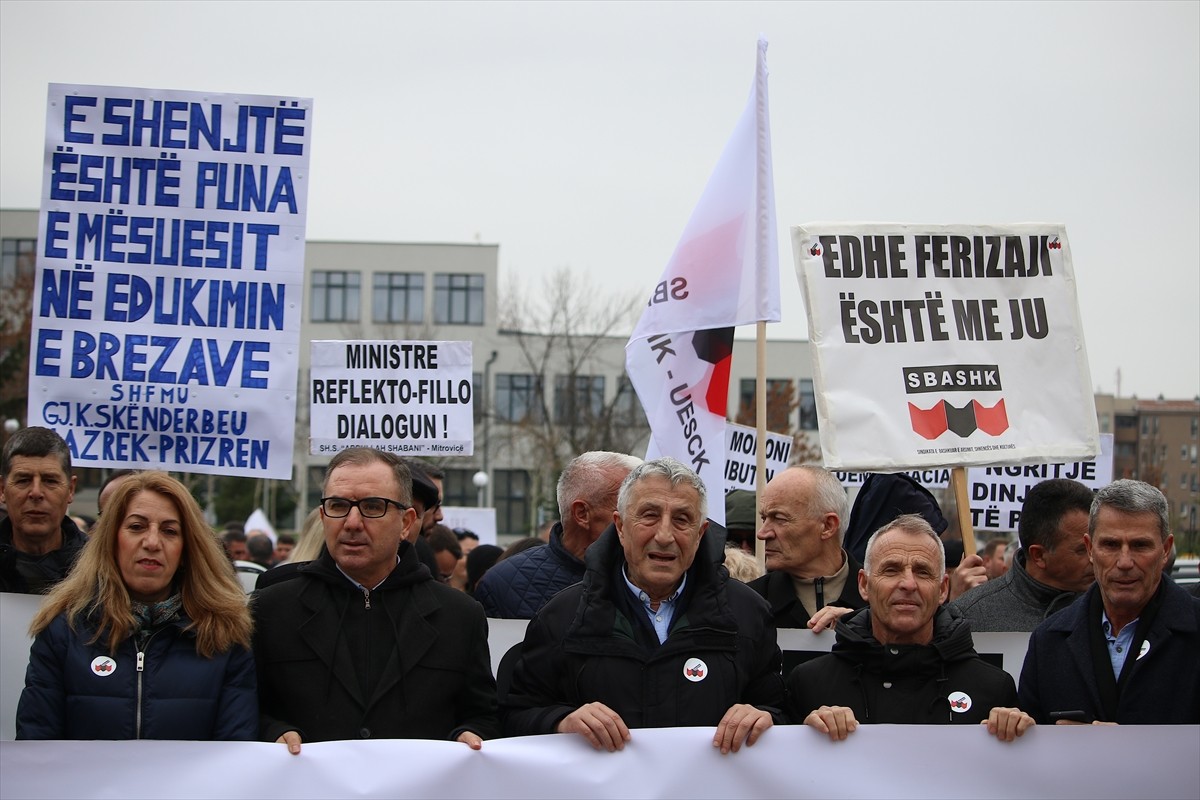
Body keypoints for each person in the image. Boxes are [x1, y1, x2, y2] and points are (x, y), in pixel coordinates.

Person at [502, 457, 784, 755]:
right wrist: (560, 721)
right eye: (649, 515)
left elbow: (780, 712)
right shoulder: (562, 617)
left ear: (700, 534)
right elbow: (515, 717)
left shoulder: (749, 614)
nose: (664, 536)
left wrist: (765, 717)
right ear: (620, 527)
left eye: (682, 519)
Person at [253, 447, 499, 753]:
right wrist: (273, 732)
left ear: (407, 523)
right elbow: (243, 710)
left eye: (372, 506)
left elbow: (485, 716)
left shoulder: (459, 616)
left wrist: (468, 734)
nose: (352, 522)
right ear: (322, 515)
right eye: (338, 505)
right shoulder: (270, 610)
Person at [16, 471, 256, 740]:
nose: (152, 542)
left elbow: (235, 752)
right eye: (136, 527)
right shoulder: (64, 631)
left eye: (169, 531)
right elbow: (37, 744)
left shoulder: (225, 634)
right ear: (111, 539)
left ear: (187, 548)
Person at [789, 514, 1033, 742]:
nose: (908, 584)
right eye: (891, 570)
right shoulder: (810, 684)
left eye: (923, 572)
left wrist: (1018, 736)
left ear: (943, 590)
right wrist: (806, 737)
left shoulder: (992, 689)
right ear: (864, 585)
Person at [1018, 480, 1200, 724]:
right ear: (1090, 548)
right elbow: (1031, 751)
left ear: (1165, 550)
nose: (1124, 562)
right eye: (1111, 545)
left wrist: (1124, 745)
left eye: (1140, 545)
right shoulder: (1048, 641)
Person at [475, 451, 641, 619]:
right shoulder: (504, 584)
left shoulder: (655, 578)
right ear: (582, 514)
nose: (644, 524)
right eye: (627, 508)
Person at [953, 479, 1095, 631]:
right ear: (1039, 555)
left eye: (1097, 545)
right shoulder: (971, 614)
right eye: (1082, 550)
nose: (1094, 558)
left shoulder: (1114, 610)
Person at [749, 466, 865, 633]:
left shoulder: (881, 597)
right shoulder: (746, 603)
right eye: (764, 518)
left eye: (779, 519)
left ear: (827, 526)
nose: (762, 533)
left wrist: (868, 626)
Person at [0, 426, 88, 594]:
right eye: (23, 480)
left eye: (50, 481)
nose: (36, 493)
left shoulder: (103, 569)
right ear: (2, 489)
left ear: (71, 489)